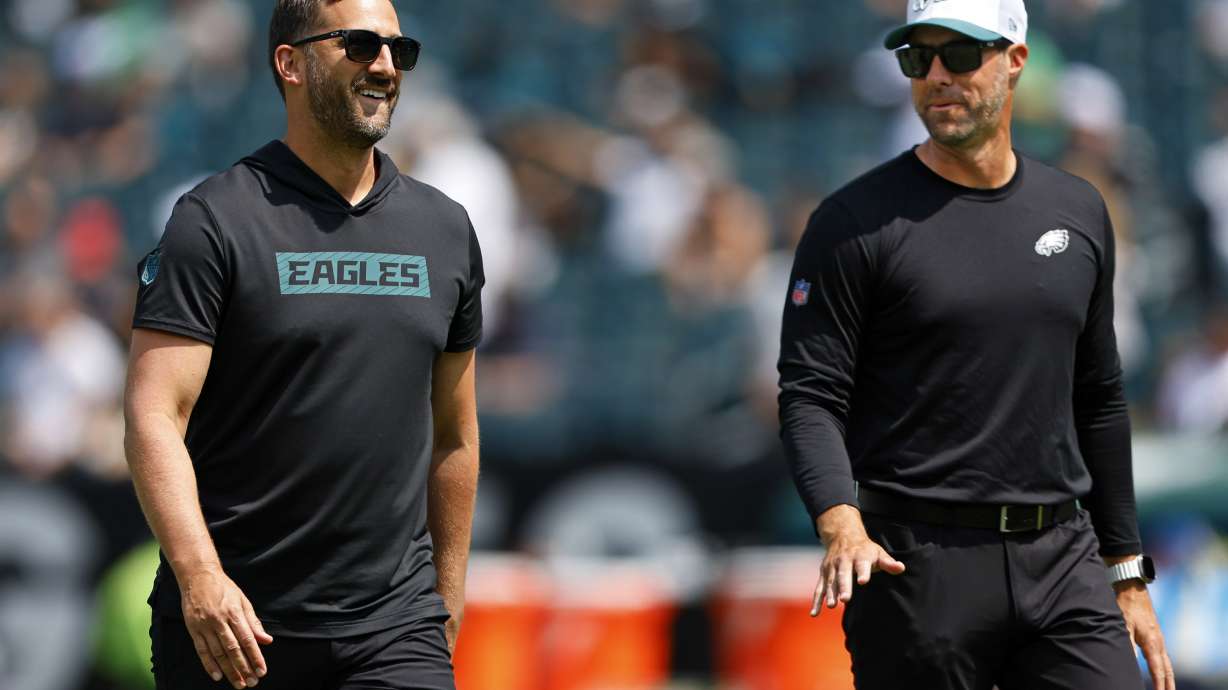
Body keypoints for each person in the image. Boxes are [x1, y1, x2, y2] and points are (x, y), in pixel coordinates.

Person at [777, 1, 1173, 689]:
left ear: (1015, 61)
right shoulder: (852, 223)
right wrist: (841, 522)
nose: (937, 76)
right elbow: (810, 393)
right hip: (916, 562)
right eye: (917, 59)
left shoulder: (1077, 211)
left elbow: (1100, 398)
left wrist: (1127, 570)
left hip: (1062, 558)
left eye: (960, 55)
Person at [123, 1, 483, 688]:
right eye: (359, 44)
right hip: (237, 630)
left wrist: (448, 597)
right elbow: (152, 416)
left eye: (398, 51)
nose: (383, 65)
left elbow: (456, 436)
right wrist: (200, 577)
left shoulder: (445, 229)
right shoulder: (213, 221)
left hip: (395, 629)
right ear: (289, 63)